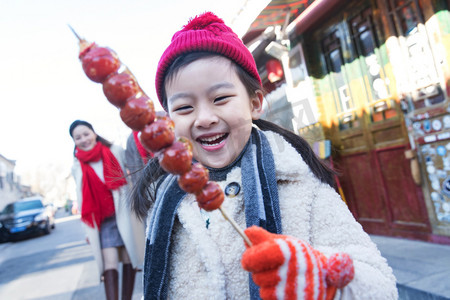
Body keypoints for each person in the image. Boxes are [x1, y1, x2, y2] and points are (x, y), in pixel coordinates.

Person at [131, 12, 398, 299]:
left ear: (255, 103)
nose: (205, 118)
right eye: (184, 108)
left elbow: (380, 285)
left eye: (220, 99)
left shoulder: (297, 183)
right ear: (169, 119)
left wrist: (321, 277)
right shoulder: (163, 201)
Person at [69, 120, 145, 300]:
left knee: (129, 259)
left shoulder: (115, 151)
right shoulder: (77, 165)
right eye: (78, 137)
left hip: (123, 214)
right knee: (108, 264)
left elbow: (134, 168)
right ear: (74, 141)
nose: (83, 139)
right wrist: (87, 230)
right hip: (102, 221)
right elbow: (81, 198)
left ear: (94, 133)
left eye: (86, 134)